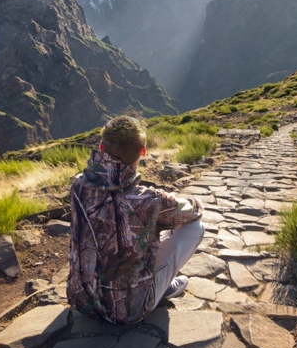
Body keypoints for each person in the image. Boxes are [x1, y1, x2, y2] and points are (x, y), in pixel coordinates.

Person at [67, 116, 204, 325]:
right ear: (143, 151)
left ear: (101, 146)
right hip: (127, 311)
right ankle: (162, 284)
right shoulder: (148, 199)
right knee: (196, 227)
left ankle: (152, 282)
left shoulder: (78, 185)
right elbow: (194, 210)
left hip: (81, 298)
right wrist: (176, 199)